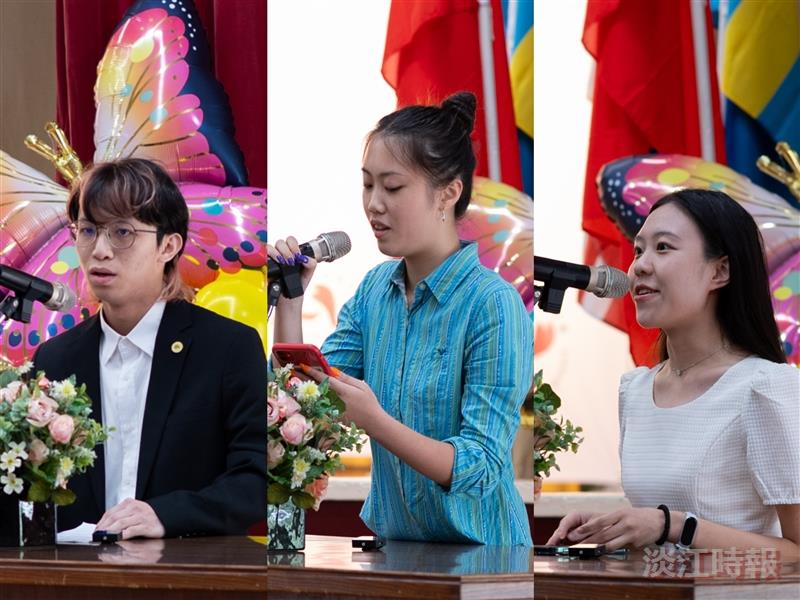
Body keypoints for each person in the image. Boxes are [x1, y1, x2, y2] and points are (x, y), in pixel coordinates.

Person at [269, 92, 533, 546]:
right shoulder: (375, 291)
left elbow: (481, 466)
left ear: (448, 193)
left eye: (392, 188)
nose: (373, 204)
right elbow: (305, 405)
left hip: (485, 559)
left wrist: (375, 419)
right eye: (368, 185)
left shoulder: (493, 304)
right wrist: (291, 300)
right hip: (397, 551)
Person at [547, 189, 799, 558]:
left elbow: (796, 551)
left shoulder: (765, 387)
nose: (640, 267)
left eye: (663, 248)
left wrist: (674, 526)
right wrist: (614, 524)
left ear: (720, 270)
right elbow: (658, 516)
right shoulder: (634, 389)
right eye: (638, 250)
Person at [33, 158, 267, 539]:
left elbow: (254, 478)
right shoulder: (56, 358)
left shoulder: (227, 348)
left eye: (122, 232)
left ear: (169, 245)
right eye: (88, 231)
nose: (100, 250)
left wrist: (166, 515)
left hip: (188, 576)